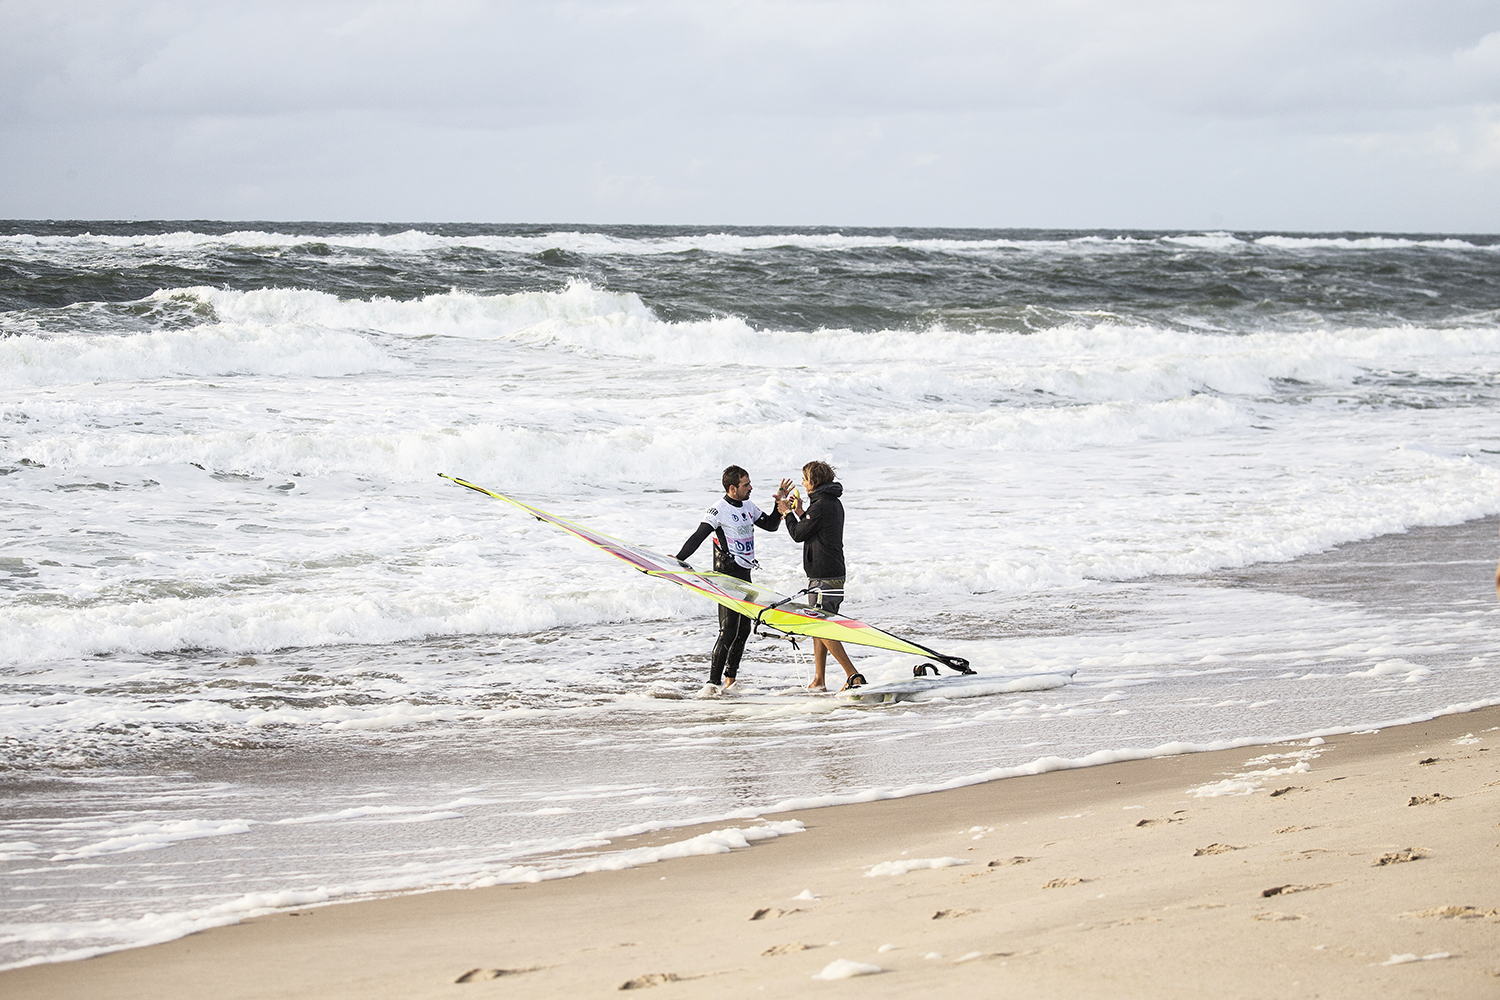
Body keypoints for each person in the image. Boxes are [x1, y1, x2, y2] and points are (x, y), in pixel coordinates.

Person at [676, 465, 793, 690]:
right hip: (726, 577)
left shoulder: (748, 506)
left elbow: (770, 525)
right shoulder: (718, 510)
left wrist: (779, 505)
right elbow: (698, 536)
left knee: (744, 630)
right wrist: (679, 558)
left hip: (745, 575)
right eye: (746, 484)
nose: (751, 488)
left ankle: (730, 680)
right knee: (728, 630)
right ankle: (712, 684)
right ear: (732, 488)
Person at [778, 460, 862, 691]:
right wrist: (800, 511)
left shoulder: (822, 506)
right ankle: (819, 680)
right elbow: (814, 527)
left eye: (804, 479)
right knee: (819, 627)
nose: (802, 483)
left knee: (821, 626)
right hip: (830, 572)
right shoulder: (829, 503)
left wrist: (786, 514)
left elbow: (798, 534)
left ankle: (853, 675)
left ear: (813, 482)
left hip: (824, 576)